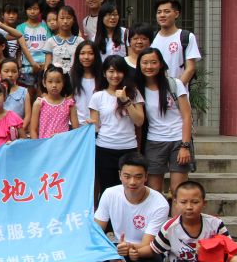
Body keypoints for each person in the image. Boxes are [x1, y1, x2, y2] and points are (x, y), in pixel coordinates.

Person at [84, 152, 168, 262]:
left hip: (147, 250)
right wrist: (109, 253)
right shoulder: (110, 194)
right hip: (120, 247)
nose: (132, 182)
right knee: (91, 261)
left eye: (138, 177)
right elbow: (96, 232)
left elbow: (148, 245)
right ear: (120, 175)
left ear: (146, 177)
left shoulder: (159, 203)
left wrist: (127, 248)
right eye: (127, 176)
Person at [136, 47, 194, 198]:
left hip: (178, 141)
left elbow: (187, 116)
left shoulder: (174, 84)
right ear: (139, 65)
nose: (149, 66)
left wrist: (185, 146)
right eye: (145, 63)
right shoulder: (137, 89)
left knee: (177, 191)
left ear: (161, 64)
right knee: (154, 192)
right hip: (154, 142)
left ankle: (175, 215)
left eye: (153, 62)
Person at [89, 55, 146, 198]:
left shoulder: (134, 93)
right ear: (104, 73)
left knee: (128, 190)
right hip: (104, 148)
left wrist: (125, 100)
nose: (115, 75)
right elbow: (96, 126)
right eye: (111, 71)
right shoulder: (98, 96)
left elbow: (139, 121)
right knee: (107, 190)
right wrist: (90, 124)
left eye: (119, 71)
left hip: (128, 149)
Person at [151, 0, 201, 89]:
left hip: (178, 94)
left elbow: (190, 68)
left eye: (166, 11)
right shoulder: (151, 38)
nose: (162, 15)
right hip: (154, 91)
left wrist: (175, 90)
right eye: (159, 12)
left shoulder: (186, 37)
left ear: (176, 14)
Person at [30, 65, 78, 139]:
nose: (54, 85)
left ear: (63, 83)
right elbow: (33, 130)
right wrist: (37, 145)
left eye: (58, 82)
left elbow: (76, 130)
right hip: (44, 144)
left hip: (63, 144)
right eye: (50, 81)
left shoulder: (69, 104)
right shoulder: (39, 103)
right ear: (44, 83)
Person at [17, 0, 50, 86]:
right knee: (28, 92)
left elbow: (49, 47)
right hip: (28, 66)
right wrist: (33, 63)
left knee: (43, 91)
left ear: (40, 10)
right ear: (25, 10)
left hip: (44, 66)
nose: (32, 12)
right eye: (29, 9)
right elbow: (23, 47)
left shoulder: (46, 26)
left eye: (35, 9)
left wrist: (46, 65)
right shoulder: (20, 27)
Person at [41, 5, 83, 74]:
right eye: (62, 18)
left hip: (75, 78)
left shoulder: (80, 41)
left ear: (73, 20)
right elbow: (47, 66)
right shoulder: (50, 41)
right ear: (57, 20)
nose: (65, 21)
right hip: (56, 79)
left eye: (68, 18)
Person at [70, 41, 101, 126]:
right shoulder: (71, 77)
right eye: (82, 53)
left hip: (98, 125)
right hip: (76, 125)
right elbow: (69, 102)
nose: (86, 57)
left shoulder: (103, 77)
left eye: (90, 53)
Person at [0, 59, 31, 135]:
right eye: (6, 71)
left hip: (18, 132)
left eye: (14, 71)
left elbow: (28, 115)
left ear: (18, 73)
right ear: (0, 72)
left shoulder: (24, 91)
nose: (10, 74)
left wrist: (19, 132)